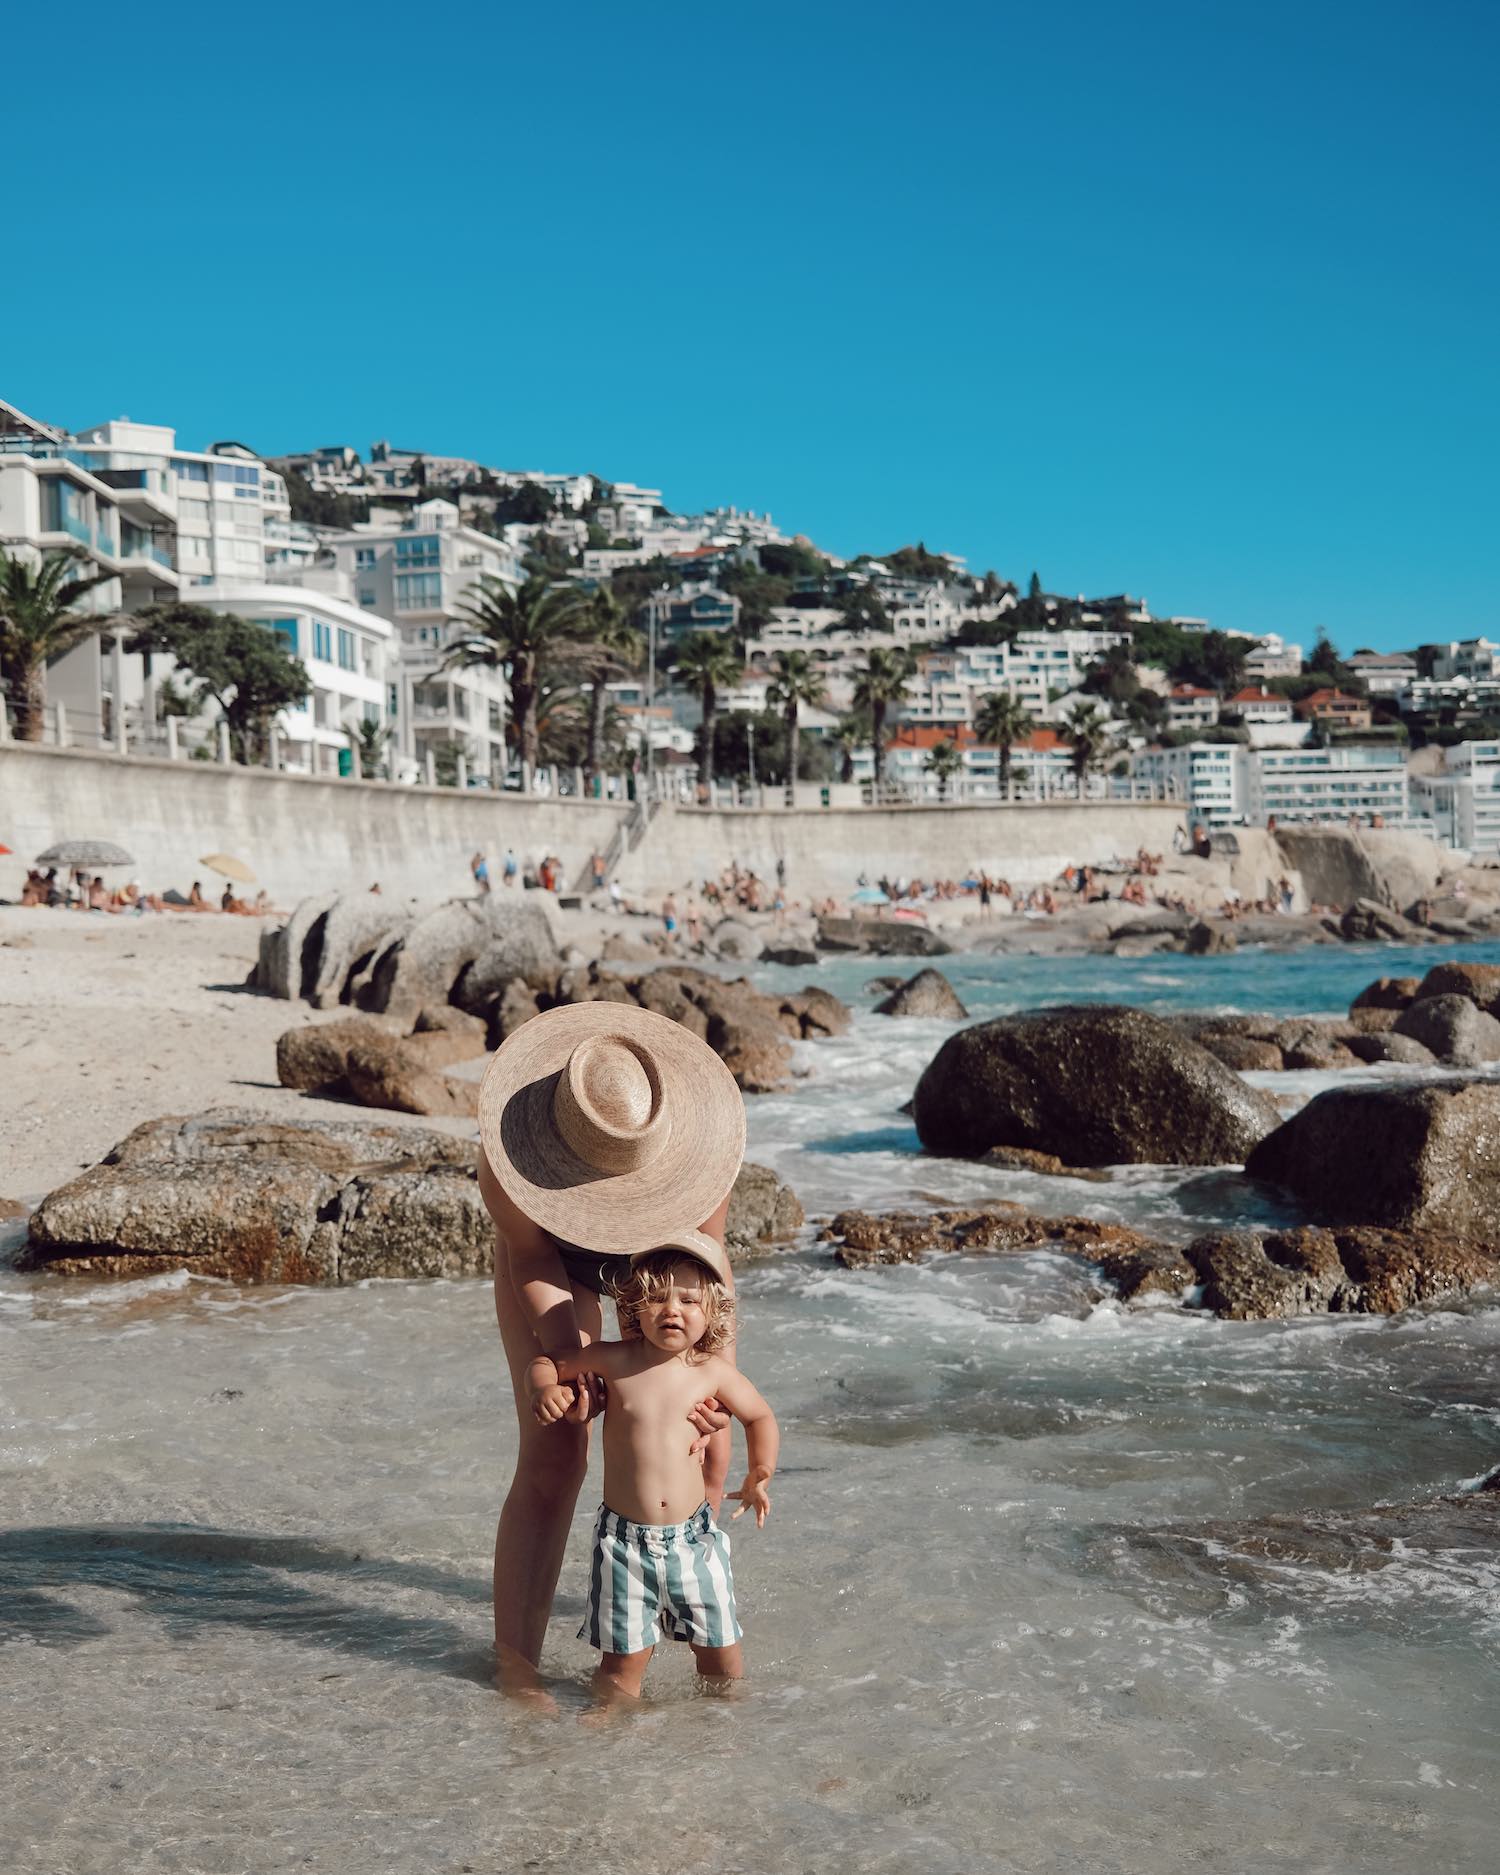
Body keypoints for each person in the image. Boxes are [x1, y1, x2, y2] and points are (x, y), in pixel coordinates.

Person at [475, 1003, 747, 1705]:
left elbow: (708, 1278)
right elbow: (532, 1253)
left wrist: (713, 1381)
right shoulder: (510, 1157)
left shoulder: (699, 1150)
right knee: (556, 1446)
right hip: (551, 1262)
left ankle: (675, 1602)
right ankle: (515, 1665)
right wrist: (571, 1359)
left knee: (706, 1447)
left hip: (665, 1269)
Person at [527, 1231, 777, 1707]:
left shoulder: (713, 1372)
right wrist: (542, 1390)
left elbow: (760, 1416)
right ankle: (617, 1739)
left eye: (688, 1299)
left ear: (712, 1312)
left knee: (720, 1654)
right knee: (623, 1665)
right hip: (623, 1545)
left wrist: (760, 1473)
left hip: (693, 1542)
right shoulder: (611, 1359)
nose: (672, 1309)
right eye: (657, 1297)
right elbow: (546, 1362)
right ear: (635, 1305)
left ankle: (723, 1729)